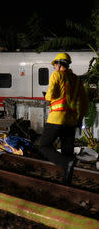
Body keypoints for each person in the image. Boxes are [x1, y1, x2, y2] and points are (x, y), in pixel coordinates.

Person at [39, 52, 88, 184]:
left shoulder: (57, 75)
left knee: (43, 145)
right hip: (71, 121)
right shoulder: (77, 80)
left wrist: (47, 96)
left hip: (57, 118)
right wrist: (80, 117)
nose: (54, 67)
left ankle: (66, 163)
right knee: (67, 151)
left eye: (55, 64)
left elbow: (50, 96)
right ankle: (66, 182)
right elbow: (84, 101)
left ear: (59, 64)